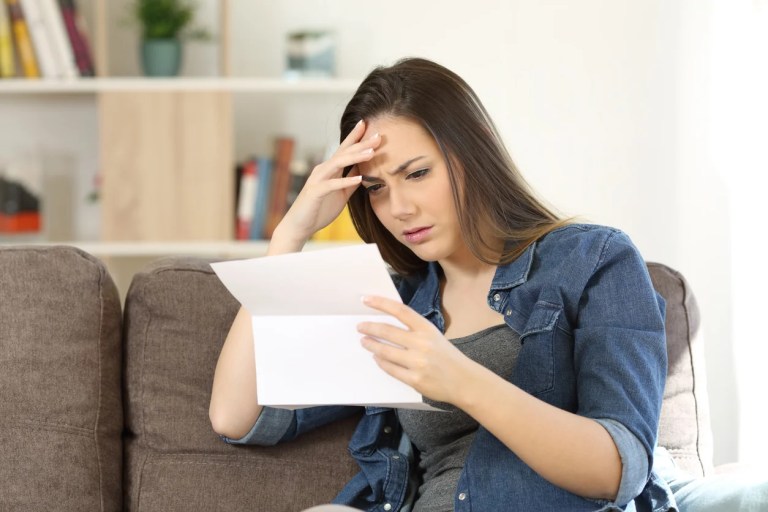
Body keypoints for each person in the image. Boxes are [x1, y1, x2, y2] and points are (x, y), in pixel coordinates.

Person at [209, 58, 767, 511]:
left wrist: (458, 377)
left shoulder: (592, 260)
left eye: (417, 173)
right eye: (376, 188)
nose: (398, 207)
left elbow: (616, 470)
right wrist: (290, 233)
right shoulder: (393, 300)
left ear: (470, 153)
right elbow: (238, 417)